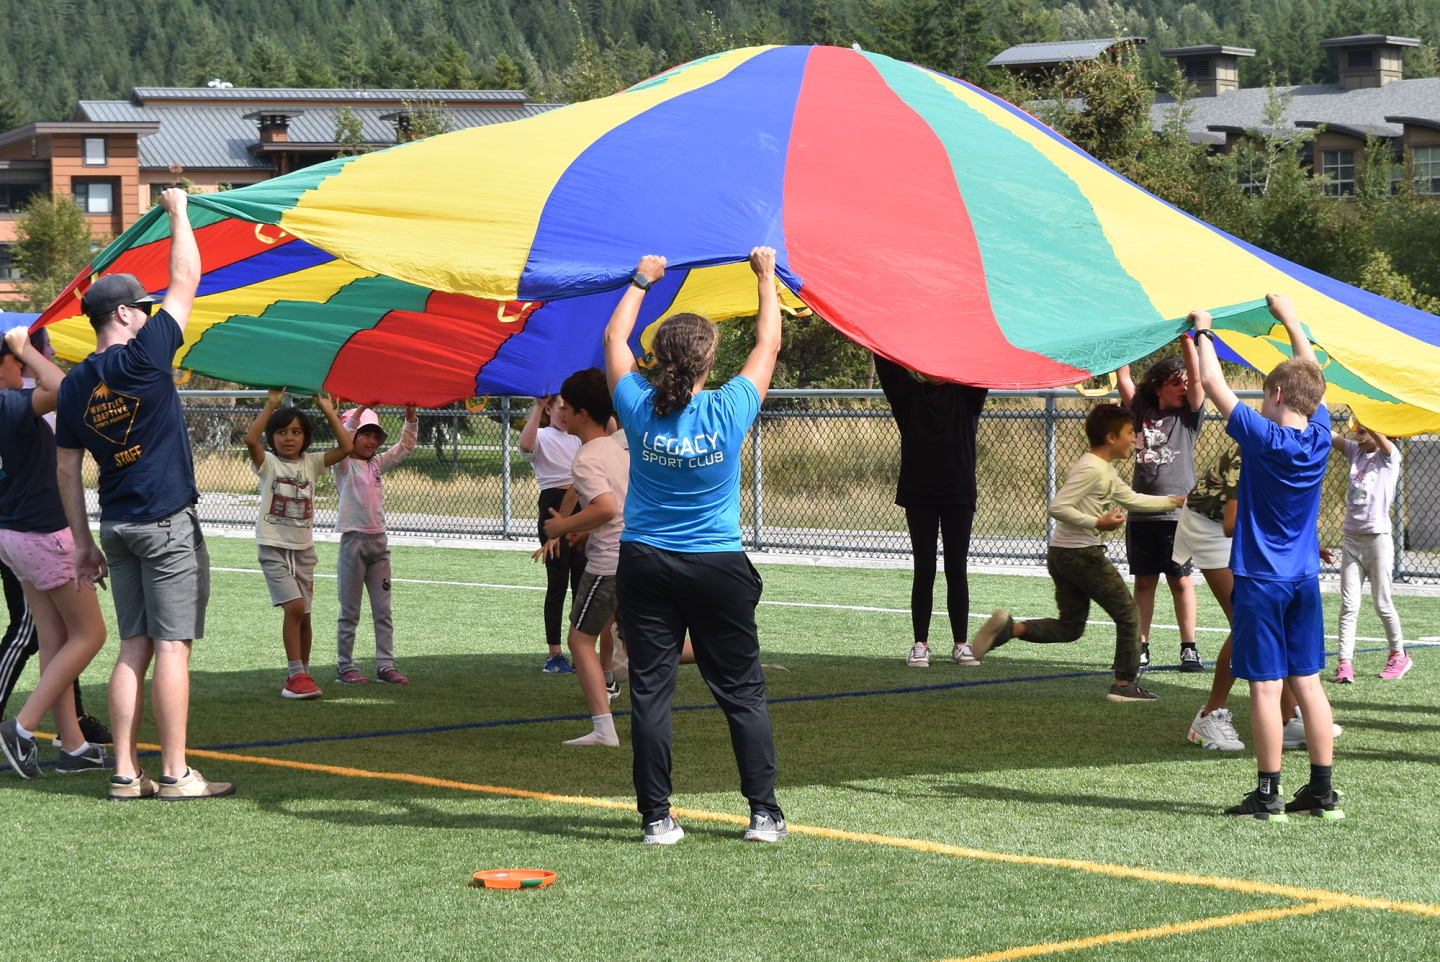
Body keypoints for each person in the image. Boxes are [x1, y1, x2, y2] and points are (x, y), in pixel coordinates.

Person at [54, 187, 234, 801]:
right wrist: (181, 212)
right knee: (172, 645)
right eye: (144, 307)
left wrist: (82, 545)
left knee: (134, 644)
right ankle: (178, 773)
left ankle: (126, 773)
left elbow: (65, 471)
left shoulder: (75, 386)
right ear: (128, 314)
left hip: (116, 526)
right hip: (163, 524)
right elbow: (187, 275)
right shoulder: (147, 356)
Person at [606, 248, 786, 845]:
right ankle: (764, 815)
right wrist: (765, 276)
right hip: (716, 565)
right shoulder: (730, 406)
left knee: (651, 691)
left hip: (645, 563)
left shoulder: (635, 405)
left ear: (657, 359)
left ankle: (657, 819)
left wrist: (642, 279)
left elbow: (614, 337)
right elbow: (768, 345)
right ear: (710, 360)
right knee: (741, 692)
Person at [1193, 296, 1342, 821]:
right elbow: (1312, 377)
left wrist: (1202, 330)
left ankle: (1268, 793)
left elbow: (1214, 387)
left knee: (1264, 684)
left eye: (1264, 393)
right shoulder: (1321, 435)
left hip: (1260, 579)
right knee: (1308, 684)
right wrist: (1291, 320)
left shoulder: (1265, 439)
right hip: (1303, 579)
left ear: (1276, 393)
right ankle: (1322, 793)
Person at [968, 404, 1183, 701]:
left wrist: (1176, 502)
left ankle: (1009, 629)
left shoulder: (1101, 467)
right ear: (1111, 437)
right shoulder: (1092, 468)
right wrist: (1098, 522)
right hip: (1080, 555)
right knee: (1129, 614)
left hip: (1064, 555)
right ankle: (1124, 685)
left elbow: (1132, 499)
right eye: (1130, 433)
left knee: (1071, 627)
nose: (1135, 439)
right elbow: (1057, 507)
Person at [0, 327, 111, 777]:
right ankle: (22, 727)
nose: (35, 362)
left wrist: (23, 351)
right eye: (28, 358)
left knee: (55, 638)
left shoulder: (13, 406)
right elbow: (64, 388)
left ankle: (73, 745)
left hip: (15, 536)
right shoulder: (8, 404)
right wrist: (23, 347)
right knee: (91, 634)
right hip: (43, 535)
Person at [1177, 443, 1329, 751]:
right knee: (1246, 623)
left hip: (1251, 532)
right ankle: (1208, 718)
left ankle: (1286, 721)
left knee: (1279, 622)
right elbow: (1233, 523)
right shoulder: (1256, 447)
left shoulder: (1301, 443)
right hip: (1212, 527)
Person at [872, 355, 988, 669]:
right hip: (919, 493)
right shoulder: (908, 395)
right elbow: (884, 361)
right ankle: (920, 644)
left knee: (956, 568)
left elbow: (984, 360)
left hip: (958, 493)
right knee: (925, 569)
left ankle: (961, 645)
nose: (935, 369)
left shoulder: (967, 394)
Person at [244, 388, 352, 699]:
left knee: (304, 614)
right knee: (293, 607)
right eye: (281, 432)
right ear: (272, 437)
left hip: (304, 550)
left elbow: (345, 447)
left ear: (306, 437)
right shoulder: (268, 464)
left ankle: (303, 673)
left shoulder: (312, 463)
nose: (289, 438)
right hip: (273, 548)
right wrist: (271, 404)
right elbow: (251, 441)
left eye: (296, 432)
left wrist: (328, 409)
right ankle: (295, 675)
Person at [542, 368, 629, 746]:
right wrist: (582, 530)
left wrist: (562, 528)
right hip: (635, 556)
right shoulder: (618, 447)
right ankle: (716, 652)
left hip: (608, 565)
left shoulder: (587, 456)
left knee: (579, 640)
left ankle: (603, 729)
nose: (561, 413)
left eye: (566, 407)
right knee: (644, 643)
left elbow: (607, 508)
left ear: (582, 414)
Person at [1117, 341, 1205, 672]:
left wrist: (1187, 344)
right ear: (1158, 388)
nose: (1182, 388)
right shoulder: (1142, 411)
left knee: (1181, 580)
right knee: (1144, 581)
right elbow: (1124, 379)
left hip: (1178, 516)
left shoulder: (1188, 417)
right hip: (1143, 513)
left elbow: (1197, 383)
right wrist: (1123, 338)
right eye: (1174, 383)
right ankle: (1141, 646)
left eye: (1184, 382)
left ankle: (1189, 648)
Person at [332, 404, 417, 686]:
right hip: (353, 543)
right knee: (350, 612)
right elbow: (343, 438)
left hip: (379, 544)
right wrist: (360, 409)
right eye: (364, 434)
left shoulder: (376, 464)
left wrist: (410, 419)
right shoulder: (342, 465)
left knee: (383, 611)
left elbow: (404, 447)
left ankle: (385, 666)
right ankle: (345, 667)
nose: (371, 441)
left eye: (375, 436)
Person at [1332, 418, 1409, 683]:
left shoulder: (1390, 457)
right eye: (1357, 432)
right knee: (1349, 604)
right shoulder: (1355, 452)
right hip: (1352, 540)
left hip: (1377, 540)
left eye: (1365, 432)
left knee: (1382, 602)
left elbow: (1382, 439)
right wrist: (1312, 408)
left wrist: (1370, 416)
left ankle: (1398, 654)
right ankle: (1344, 662)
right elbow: (1331, 436)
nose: (1359, 436)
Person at [520, 393, 583, 674]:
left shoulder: (581, 437)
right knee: (558, 582)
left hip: (582, 508)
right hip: (553, 508)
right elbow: (525, 445)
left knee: (583, 582)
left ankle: (581, 648)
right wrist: (537, 408)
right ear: (548, 408)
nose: (566, 414)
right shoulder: (543, 435)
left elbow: (610, 431)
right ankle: (554, 655)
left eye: (570, 408)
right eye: (560, 408)